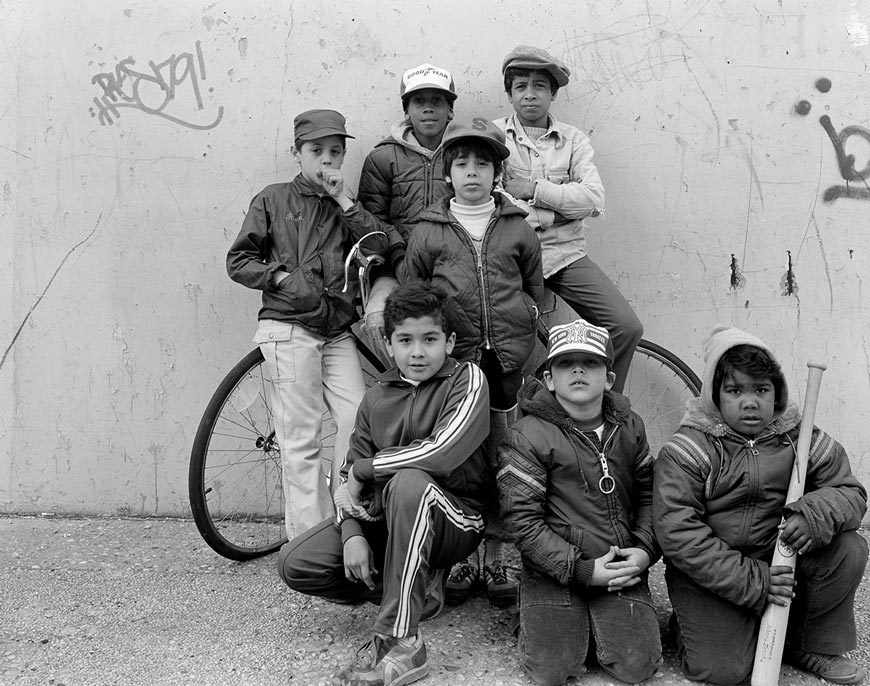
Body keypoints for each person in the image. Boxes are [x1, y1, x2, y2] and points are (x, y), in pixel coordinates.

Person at [277, 282, 490, 686]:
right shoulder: (376, 397)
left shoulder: (466, 380)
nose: (417, 352)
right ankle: (416, 585)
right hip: (389, 519)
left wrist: (367, 470)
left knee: (410, 483)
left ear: (450, 342)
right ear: (389, 346)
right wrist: (353, 533)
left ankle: (402, 639)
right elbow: (347, 474)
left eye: (430, 339)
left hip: (455, 519)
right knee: (296, 563)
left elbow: (440, 452)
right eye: (405, 340)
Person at [654, 325, 868, 685]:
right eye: (735, 391)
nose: (750, 402)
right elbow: (678, 534)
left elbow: (850, 493)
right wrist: (755, 581)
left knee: (848, 548)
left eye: (761, 390)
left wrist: (813, 516)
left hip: (781, 560)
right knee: (724, 671)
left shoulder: (799, 436)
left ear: (776, 392)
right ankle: (696, 623)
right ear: (715, 395)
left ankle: (808, 643)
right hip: (715, 573)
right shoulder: (689, 448)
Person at [400, 116, 545, 607]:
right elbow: (414, 293)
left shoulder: (517, 227)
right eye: (461, 163)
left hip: (506, 361)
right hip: (456, 365)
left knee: (506, 453)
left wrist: (526, 319)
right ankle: (463, 550)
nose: (472, 172)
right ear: (447, 173)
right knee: (460, 455)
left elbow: (534, 287)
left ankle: (500, 550)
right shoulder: (430, 230)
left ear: (496, 173)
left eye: (483, 164)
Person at [226, 109, 388, 540]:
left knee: (358, 420)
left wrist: (344, 201)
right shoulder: (272, 199)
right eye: (316, 150)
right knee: (301, 439)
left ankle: (345, 523)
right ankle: (309, 545)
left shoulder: (345, 206)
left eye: (335, 151)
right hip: (289, 326)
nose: (326, 159)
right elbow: (239, 261)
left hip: (336, 330)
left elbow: (384, 246)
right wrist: (282, 278)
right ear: (297, 152)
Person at [497, 317, 662, 686]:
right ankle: (541, 614)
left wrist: (644, 550)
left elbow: (649, 495)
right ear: (549, 379)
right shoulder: (527, 435)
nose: (578, 370)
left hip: (618, 565)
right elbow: (521, 522)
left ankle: (590, 624)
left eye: (590, 363)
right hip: (554, 570)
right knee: (551, 671)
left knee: (636, 666)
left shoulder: (630, 426)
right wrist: (582, 571)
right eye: (565, 363)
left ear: (609, 378)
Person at [493, 45, 643, 393]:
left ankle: (602, 408)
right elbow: (496, 202)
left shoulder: (573, 140)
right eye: (521, 86)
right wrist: (557, 211)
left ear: (553, 93)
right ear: (510, 93)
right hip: (511, 258)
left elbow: (593, 199)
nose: (530, 95)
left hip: (565, 256)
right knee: (506, 349)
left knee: (626, 326)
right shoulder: (494, 137)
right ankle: (529, 413)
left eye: (539, 86)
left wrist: (533, 189)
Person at [356, 62, 458, 365]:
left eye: (437, 101)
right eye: (419, 101)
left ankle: (451, 384)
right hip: (394, 267)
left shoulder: (464, 154)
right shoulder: (382, 157)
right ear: (406, 110)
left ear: (450, 110)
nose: (428, 108)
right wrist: (399, 256)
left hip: (450, 264)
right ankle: (403, 382)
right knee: (377, 319)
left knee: (459, 319)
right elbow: (372, 224)